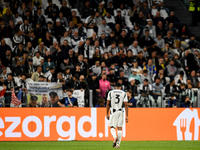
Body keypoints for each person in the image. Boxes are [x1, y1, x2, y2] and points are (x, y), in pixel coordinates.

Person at [106, 83, 128, 148]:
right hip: (121, 111)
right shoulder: (124, 93)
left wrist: (107, 113)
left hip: (113, 111)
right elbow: (126, 105)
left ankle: (115, 137)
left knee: (112, 127)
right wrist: (127, 116)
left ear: (115, 87)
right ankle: (118, 144)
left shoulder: (110, 92)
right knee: (120, 128)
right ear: (121, 87)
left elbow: (108, 104)